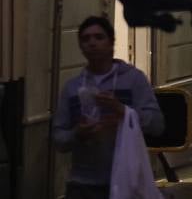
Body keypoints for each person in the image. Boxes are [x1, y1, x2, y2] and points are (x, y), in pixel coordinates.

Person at [53, 16, 165, 199]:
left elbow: (157, 124)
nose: (92, 43)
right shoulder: (72, 88)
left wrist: (123, 112)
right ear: (80, 46)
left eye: (99, 37)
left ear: (112, 42)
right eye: (86, 39)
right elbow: (59, 138)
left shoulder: (133, 80)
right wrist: (78, 133)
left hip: (127, 179)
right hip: (83, 184)